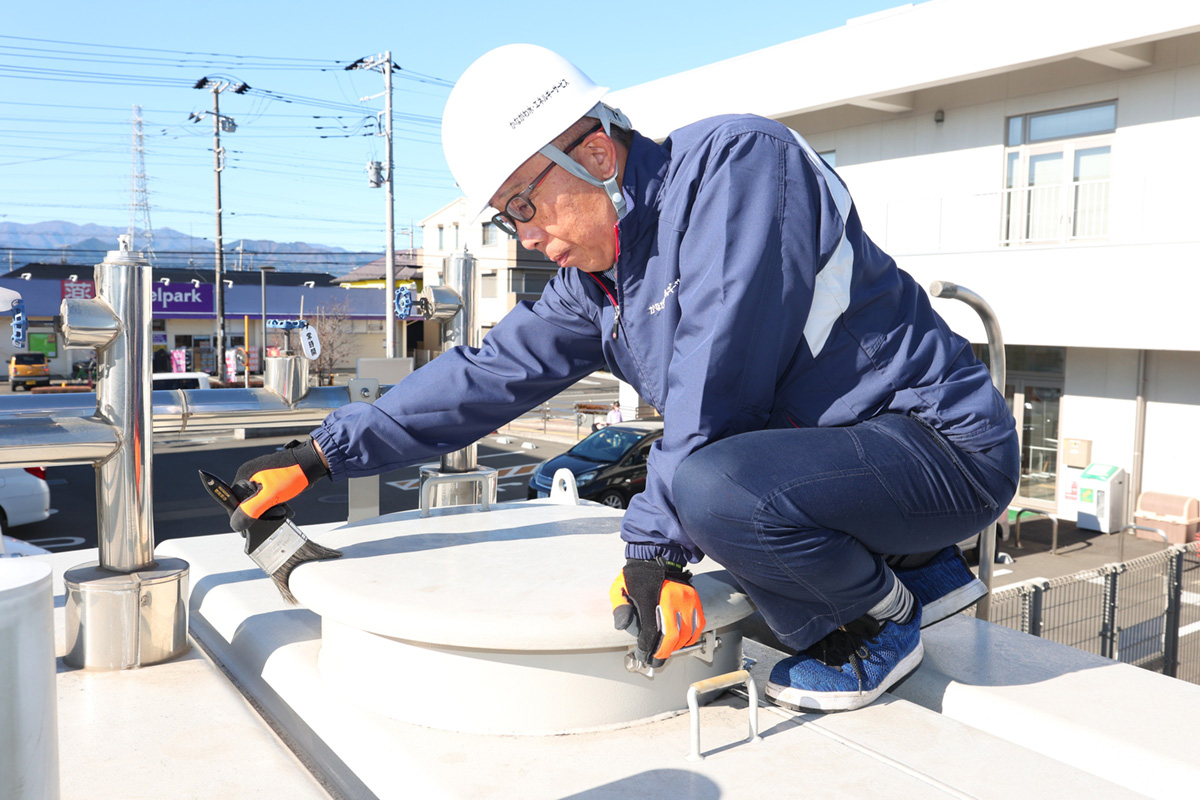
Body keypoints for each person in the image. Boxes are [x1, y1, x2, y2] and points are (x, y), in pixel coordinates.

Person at [226, 44, 1018, 713]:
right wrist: (322, 454)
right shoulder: (602, 282)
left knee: (712, 489)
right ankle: (926, 570)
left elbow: (719, 375)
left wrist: (656, 551)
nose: (530, 239)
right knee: (699, 483)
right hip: (855, 466)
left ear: (596, 155)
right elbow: (487, 375)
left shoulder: (737, 169)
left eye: (527, 207)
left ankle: (878, 620)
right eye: (509, 220)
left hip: (942, 448)